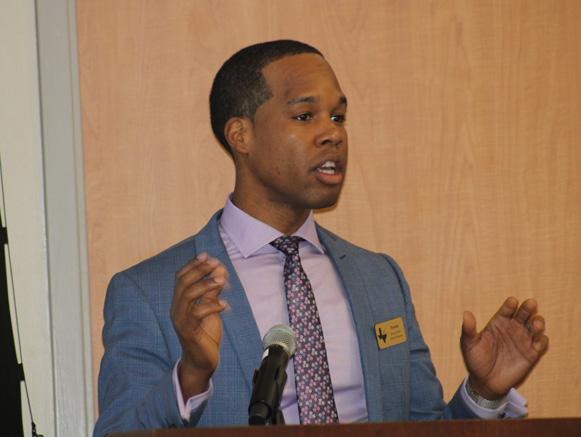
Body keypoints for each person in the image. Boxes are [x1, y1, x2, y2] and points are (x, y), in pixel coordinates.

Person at [93, 40, 548, 436]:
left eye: (338, 116)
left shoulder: (380, 278)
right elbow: (119, 433)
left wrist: (484, 393)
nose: (333, 133)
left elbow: (423, 427)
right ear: (241, 135)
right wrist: (191, 375)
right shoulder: (148, 292)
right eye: (305, 115)